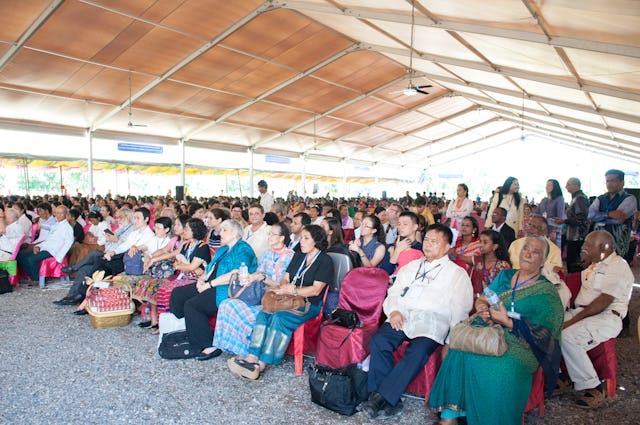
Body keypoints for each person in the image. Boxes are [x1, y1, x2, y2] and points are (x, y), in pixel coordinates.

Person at [428, 235, 564, 425]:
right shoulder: (506, 275)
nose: (529, 254)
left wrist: (508, 322)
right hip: (490, 329)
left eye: (536, 252)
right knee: (457, 350)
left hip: (522, 345)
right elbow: (482, 299)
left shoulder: (546, 292)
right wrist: (483, 309)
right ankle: (449, 419)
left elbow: (546, 334)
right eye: (526, 248)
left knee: (495, 366)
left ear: (543, 260)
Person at [361, 224, 473, 419]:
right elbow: (394, 291)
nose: (428, 244)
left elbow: (460, 309)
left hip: (433, 322)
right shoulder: (412, 267)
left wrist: (450, 340)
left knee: (418, 350)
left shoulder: (456, 274)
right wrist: (394, 311)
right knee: (379, 340)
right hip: (403, 316)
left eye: (434, 241)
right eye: (427, 239)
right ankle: (382, 397)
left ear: (447, 247)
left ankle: (381, 397)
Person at [227, 224, 333, 380]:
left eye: (306, 238)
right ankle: (252, 356)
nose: (301, 242)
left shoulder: (325, 260)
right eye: (301, 238)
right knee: (264, 313)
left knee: (279, 318)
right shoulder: (298, 256)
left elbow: (316, 290)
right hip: (288, 299)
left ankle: (262, 363)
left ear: (316, 241)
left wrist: (293, 290)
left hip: (309, 304)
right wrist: (284, 287)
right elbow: (285, 277)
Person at [559, 231, 634, 408]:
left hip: (607, 316)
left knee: (569, 335)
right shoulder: (595, 264)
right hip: (584, 312)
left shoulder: (618, 266)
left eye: (588, 244)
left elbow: (602, 302)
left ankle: (594, 386)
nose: (583, 247)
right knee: (549, 325)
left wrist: (572, 321)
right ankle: (562, 377)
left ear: (604, 248)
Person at [169, 219, 257, 361]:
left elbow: (235, 273)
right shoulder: (222, 249)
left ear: (235, 233)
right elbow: (210, 268)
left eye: (224, 230)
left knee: (192, 305)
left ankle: (209, 345)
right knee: (178, 294)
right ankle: (191, 329)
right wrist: (202, 279)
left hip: (228, 289)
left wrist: (209, 285)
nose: (220, 233)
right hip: (211, 283)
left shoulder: (243, 249)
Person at [213, 222, 295, 357]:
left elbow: (282, 286)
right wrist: (250, 278)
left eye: (272, 234)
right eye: (269, 233)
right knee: (227, 304)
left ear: (281, 238)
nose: (269, 237)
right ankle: (234, 347)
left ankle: (249, 351)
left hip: (275, 299)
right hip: (260, 294)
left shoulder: (289, 256)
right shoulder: (268, 253)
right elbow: (258, 274)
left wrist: (262, 278)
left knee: (251, 314)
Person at [134, 217, 211, 331]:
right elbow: (172, 256)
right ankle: (163, 324)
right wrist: (153, 259)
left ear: (195, 230)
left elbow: (191, 267)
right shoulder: (187, 245)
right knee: (162, 289)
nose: (184, 231)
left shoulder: (202, 246)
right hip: (185, 276)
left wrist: (179, 265)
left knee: (166, 290)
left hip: (197, 280)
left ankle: (169, 325)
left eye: (187, 229)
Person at [17, 205, 74, 282]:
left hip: (53, 251)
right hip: (45, 247)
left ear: (66, 214)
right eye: (57, 213)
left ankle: (36, 279)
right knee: (20, 256)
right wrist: (38, 246)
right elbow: (48, 239)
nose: (58, 215)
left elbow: (69, 242)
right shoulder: (56, 225)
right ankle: (32, 275)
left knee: (31, 259)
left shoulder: (67, 227)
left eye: (61, 213)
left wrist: (59, 257)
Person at [588, 169, 637, 258]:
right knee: (598, 268)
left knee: (616, 269)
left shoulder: (629, 199)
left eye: (613, 181)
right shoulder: (601, 198)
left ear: (622, 182)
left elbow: (618, 220)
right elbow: (590, 215)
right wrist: (608, 214)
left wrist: (598, 216)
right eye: (607, 181)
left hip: (618, 244)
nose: (609, 184)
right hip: (599, 243)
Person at [557, 177, 589, 273]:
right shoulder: (576, 198)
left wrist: (565, 221)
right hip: (572, 234)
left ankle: (574, 281)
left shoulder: (580, 198)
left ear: (576, 185)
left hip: (577, 235)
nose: (566, 187)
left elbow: (581, 218)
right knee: (571, 260)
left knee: (574, 262)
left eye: (569, 184)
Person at [469, 229, 511, 296]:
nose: (481, 245)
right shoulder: (478, 260)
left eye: (485, 242)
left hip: (494, 303)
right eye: (480, 241)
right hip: (475, 301)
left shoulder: (503, 266)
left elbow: (505, 291)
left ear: (494, 247)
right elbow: (459, 257)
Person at [380, 211, 422, 276]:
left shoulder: (420, 249)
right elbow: (385, 272)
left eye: (405, 224)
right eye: (399, 224)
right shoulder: (391, 247)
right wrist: (397, 251)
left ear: (415, 227)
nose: (401, 227)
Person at [535, 179, 565, 248]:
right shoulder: (544, 200)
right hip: (542, 230)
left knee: (553, 250)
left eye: (549, 185)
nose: (547, 187)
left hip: (553, 231)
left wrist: (554, 231)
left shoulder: (559, 199)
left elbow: (560, 217)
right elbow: (537, 213)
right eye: (546, 185)